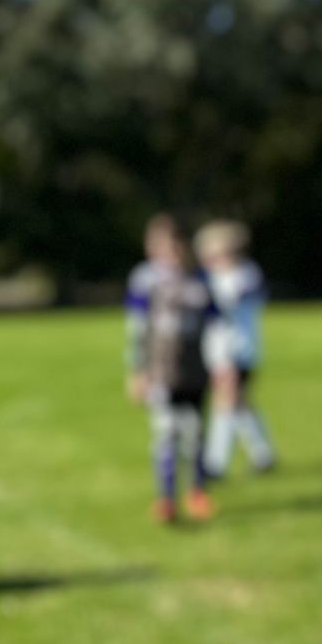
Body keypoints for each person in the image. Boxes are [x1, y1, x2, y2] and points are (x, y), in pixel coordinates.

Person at [125, 214, 216, 524]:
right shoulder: (145, 280)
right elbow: (136, 329)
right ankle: (166, 497)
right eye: (161, 243)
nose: (170, 250)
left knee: (195, 432)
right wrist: (138, 370)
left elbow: (217, 325)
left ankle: (197, 491)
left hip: (195, 368)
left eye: (175, 243)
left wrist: (221, 363)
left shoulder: (200, 279)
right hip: (162, 369)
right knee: (166, 432)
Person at [195, 219, 278, 479]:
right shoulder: (208, 278)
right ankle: (263, 454)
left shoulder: (245, 274)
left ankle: (215, 462)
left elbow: (234, 303)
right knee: (240, 404)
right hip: (216, 350)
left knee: (227, 402)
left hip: (238, 349)